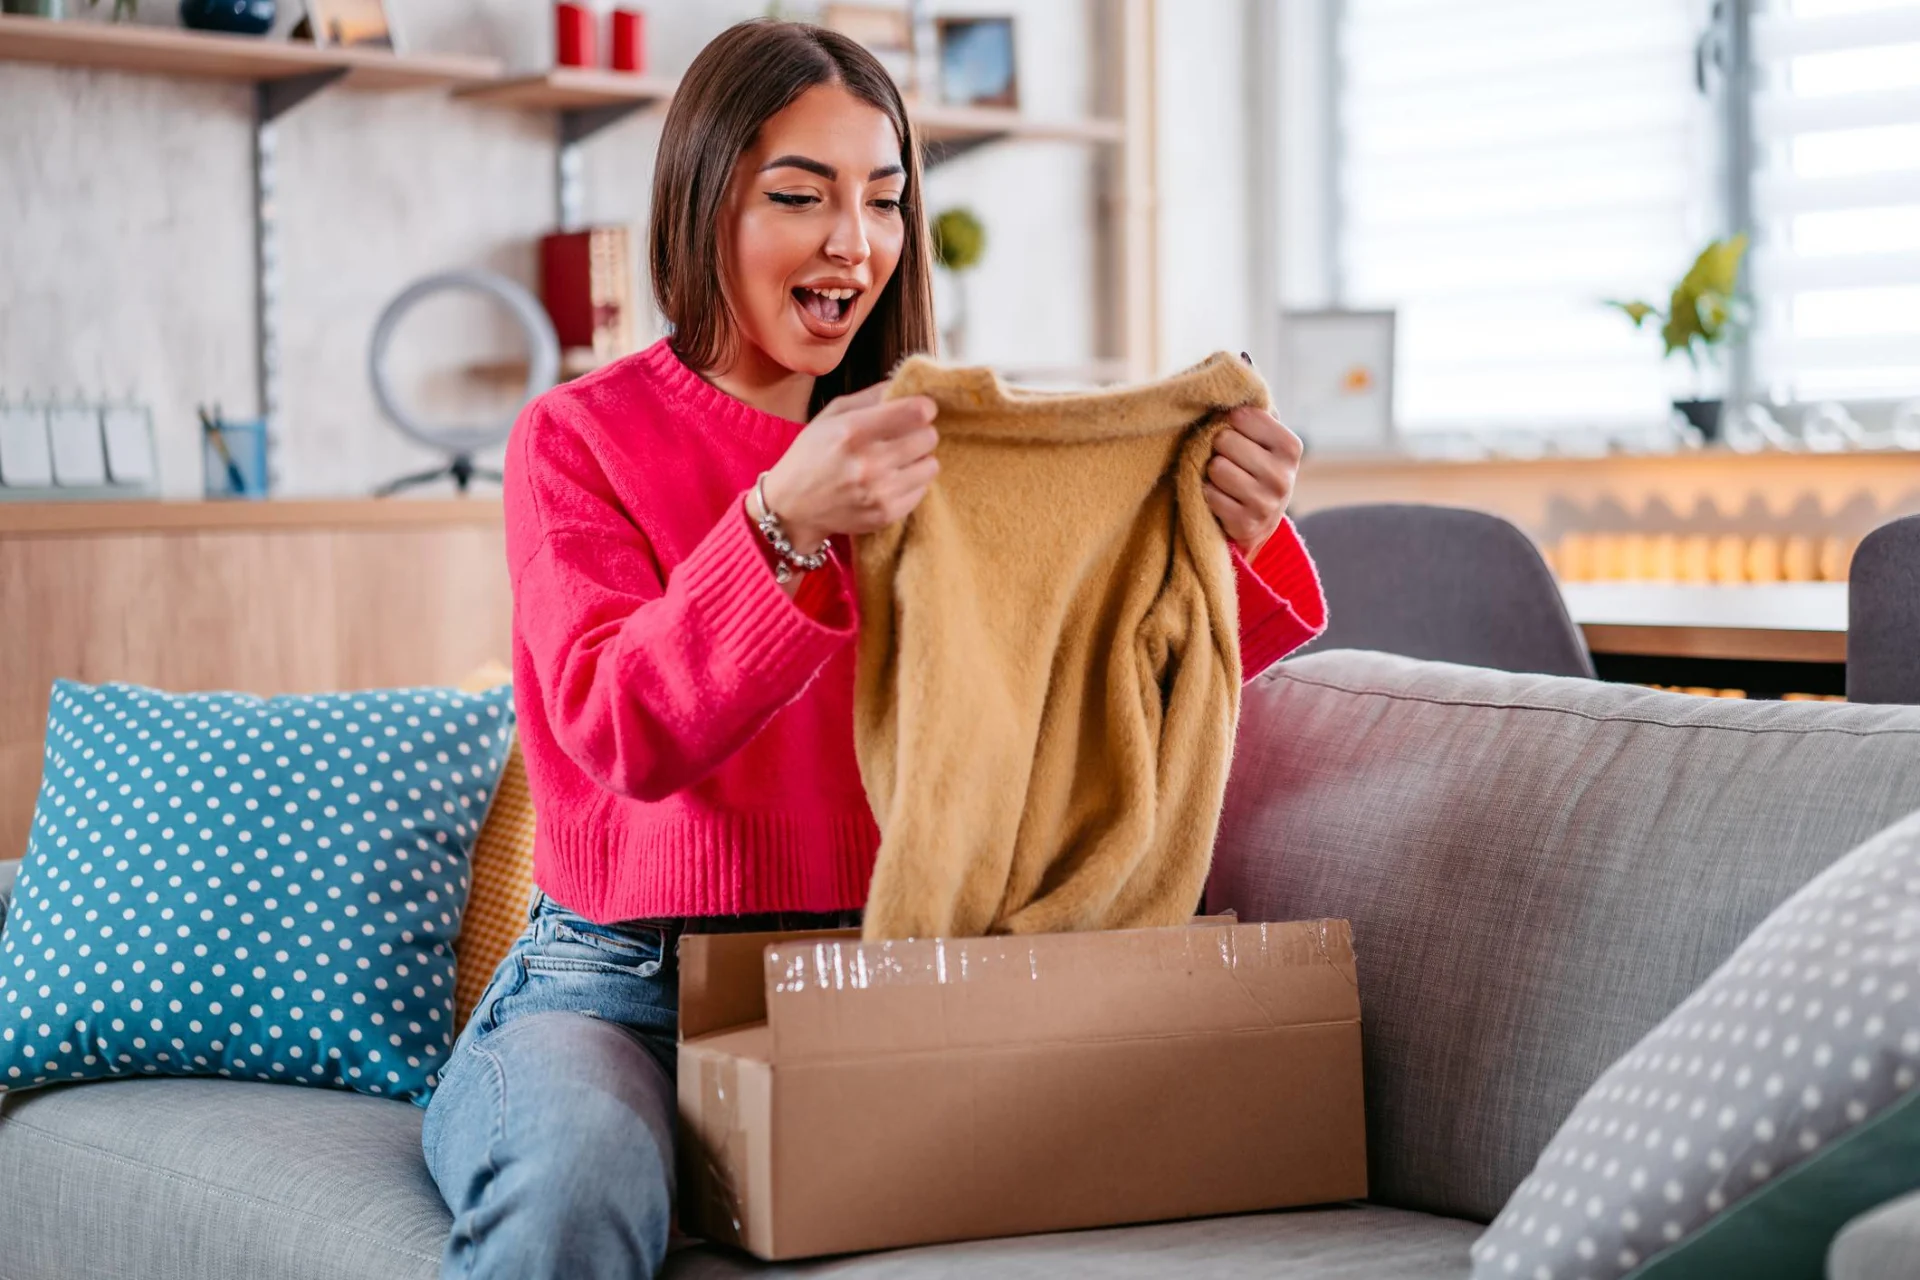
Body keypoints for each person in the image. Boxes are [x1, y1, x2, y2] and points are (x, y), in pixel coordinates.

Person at [421, 18, 1326, 1280]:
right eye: (801, 195)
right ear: (704, 205)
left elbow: (1095, 682)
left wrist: (1228, 529)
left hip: (880, 968)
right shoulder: (576, 435)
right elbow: (618, 724)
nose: (855, 240)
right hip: (615, 986)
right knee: (571, 1190)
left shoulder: (949, 442)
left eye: (886, 199)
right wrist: (780, 524)